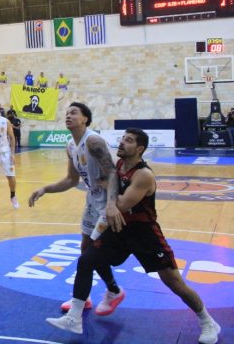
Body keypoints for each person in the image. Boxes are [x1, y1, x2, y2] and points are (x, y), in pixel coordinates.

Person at [45, 128, 221, 343]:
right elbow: (109, 184)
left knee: (174, 282)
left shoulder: (143, 175)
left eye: (128, 141)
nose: (121, 143)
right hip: (119, 230)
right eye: (122, 139)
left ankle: (207, 321)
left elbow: (121, 204)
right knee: (86, 259)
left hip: (144, 234)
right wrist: (105, 185)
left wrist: (107, 190)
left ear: (140, 149)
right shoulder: (119, 165)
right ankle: (75, 317)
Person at [28, 102, 122, 313]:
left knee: (92, 254)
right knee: (85, 248)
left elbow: (112, 172)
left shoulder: (94, 141)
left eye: (74, 113)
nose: (68, 116)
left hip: (107, 202)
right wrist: (45, 189)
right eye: (67, 113)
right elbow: (71, 180)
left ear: (85, 119)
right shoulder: (70, 145)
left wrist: (111, 204)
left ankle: (110, 291)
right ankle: (87, 296)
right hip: (92, 200)